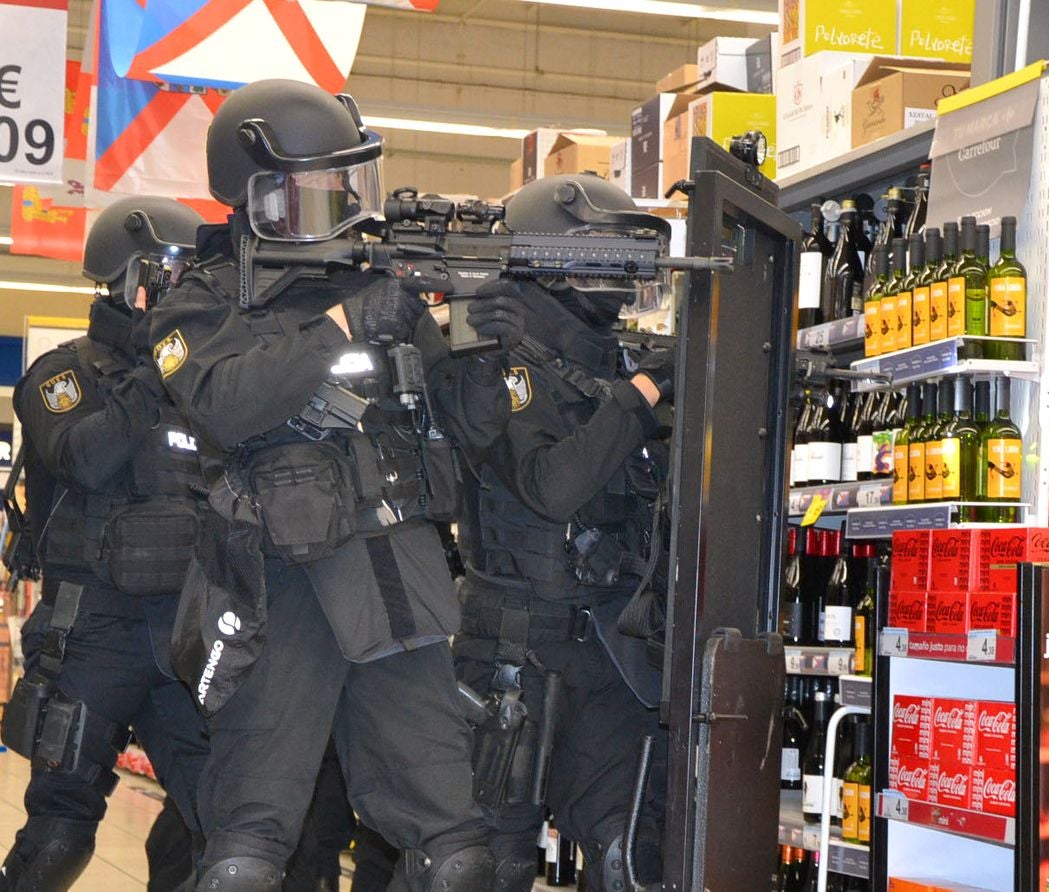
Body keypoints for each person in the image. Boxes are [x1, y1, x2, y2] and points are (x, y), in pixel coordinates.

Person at [145, 78, 524, 891]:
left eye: (347, 185)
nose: (343, 205)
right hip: (275, 582)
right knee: (247, 849)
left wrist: (485, 349)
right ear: (255, 199)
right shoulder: (197, 304)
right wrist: (346, 326)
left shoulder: (375, 284)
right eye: (317, 189)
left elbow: (473, 429)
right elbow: (227, 402)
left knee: (458, 850)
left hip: (395, 574)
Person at [452, 173, 676, 892]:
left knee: (628, 859)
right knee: (488, 863)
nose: (620, 274)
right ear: (544, 256)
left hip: (609, 645)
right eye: (603, 254)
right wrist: (640, 400)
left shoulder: (614, 361)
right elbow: (551, 485)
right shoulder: (491, 359)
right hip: (514, 648)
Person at [2, 197, 208, 890]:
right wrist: (156, 369)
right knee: (60, 834)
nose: (187, 287)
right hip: (92, 628)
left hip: (186, 631)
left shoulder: (198, 383)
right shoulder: (62, 376)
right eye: (173, 272)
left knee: (224, 822)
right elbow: (85, 457)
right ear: (129, 278)